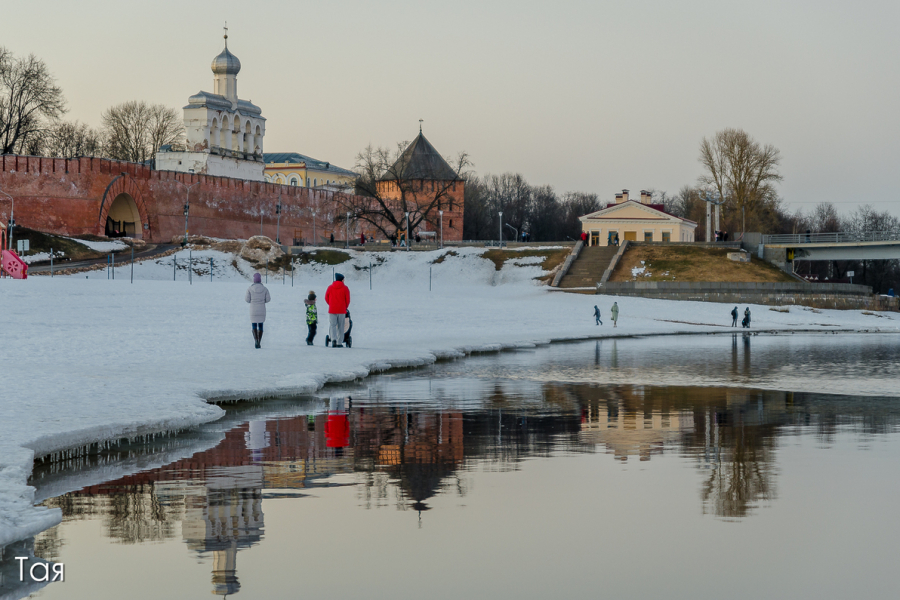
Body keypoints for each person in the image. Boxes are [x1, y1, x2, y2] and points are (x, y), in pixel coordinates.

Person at [245, 272, 271, 348]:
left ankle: (255, 340)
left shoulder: (249, 289)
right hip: (262, 309)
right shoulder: (265, 289)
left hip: (253, 309)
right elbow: (268, 299)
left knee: (254, 324)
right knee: (260, 324)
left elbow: (247, 299)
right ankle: (259, 341)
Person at [325, 273, 350, 348]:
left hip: (332, 309)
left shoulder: (330, 287)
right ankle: (339, 342)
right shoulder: (345, 288)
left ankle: (333, 340)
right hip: (341, 310)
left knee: (332, 325)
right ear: (342, 279)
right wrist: (345, 307)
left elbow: (326, 297)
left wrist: (331, 304)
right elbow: (348, 299)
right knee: (340, 326)